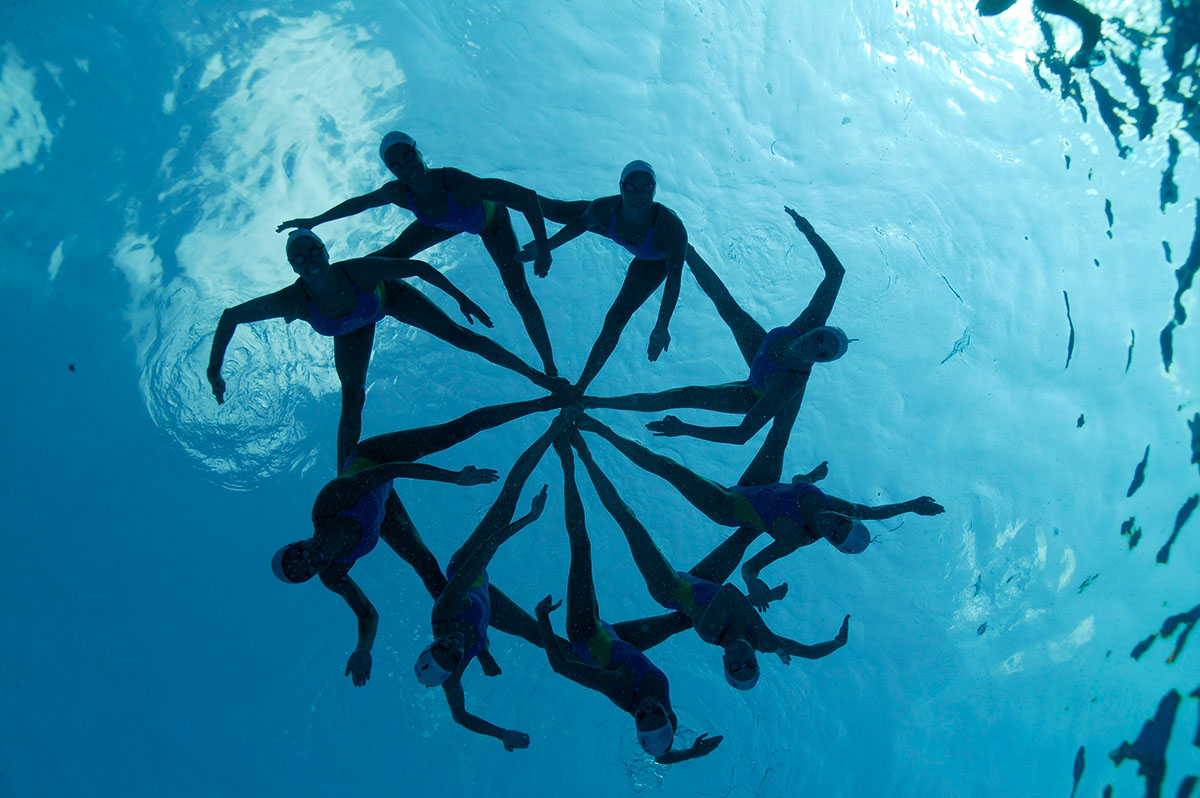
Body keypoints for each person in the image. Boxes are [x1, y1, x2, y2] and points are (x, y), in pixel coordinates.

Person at [270, 396, 563, 690]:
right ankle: (469, 628)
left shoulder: (329, 502)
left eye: (301, 555)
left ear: (298, 543)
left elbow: (392, 470)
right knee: (426, 564)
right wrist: (363, 649)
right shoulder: (333, 574)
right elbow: (367, 613)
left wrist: (455, 478)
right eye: (307, 570)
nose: (310, 560)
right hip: (380, 514)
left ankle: (545, 403)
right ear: (313, 575)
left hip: (375, 460)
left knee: (451, 432)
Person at [207, 229, 562, 467]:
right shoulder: (292, 300)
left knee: (460, 336)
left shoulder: (359, 271)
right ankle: (346, 475)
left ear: (326, 252)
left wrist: (461, 298)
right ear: (292, 266)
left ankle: (537, 377)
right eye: (299, 257)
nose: (309, 258)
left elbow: (417, 267)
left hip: (387, 299)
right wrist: (214, 369)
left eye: (313, 249)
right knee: (352, 396)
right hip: (350, 330)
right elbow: (231, 316)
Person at [567, 426, 849, 690]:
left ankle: (584, 455)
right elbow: (809, 652)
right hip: (705, 582)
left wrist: (764, 625)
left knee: (629, 521)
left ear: (725, 662)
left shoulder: (711, 632)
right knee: (751, 527)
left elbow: (729, 595)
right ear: (756, 661)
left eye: (735, 667)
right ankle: (802, 486)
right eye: (749, 666)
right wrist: (837, 643)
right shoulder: (763, 641)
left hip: (670, 588)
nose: (741, 660)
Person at [276, 132, 561, 377]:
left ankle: (549, 366)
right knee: (383, 260)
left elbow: (526, 197)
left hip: (488, 221)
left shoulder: (457, 182)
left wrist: (543, 247)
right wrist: (314, 221)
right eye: (396, 165)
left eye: (408, 157)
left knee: (518, 292)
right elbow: (360, 203)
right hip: (438, 224)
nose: (405, 167)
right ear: (391, 170)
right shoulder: (399, 192)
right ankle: (311, 295)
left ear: (419, 153)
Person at [577, 412, 945, 601]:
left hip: (728, 506)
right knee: (780, 427)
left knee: (670, 469)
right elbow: (874, 511)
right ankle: (687, 425)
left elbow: (752, 566)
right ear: (846, 516)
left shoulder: (796, 538)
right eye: (843, 523)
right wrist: (912, 505)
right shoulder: (834, 504)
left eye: (835, 535)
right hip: (756, 488)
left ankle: (598, 430)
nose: (833, 525)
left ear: (830, 543)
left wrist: (754, 584)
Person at [586, 207, 850, 445]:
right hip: (764, 351)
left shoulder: (788, 384)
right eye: (819, 338)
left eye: (822, 354)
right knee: (728, 307)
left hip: (757, 392)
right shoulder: (811, 320)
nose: (812, 347)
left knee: (691, 397)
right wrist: (808, 230)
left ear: (822, 362)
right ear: (817, 328)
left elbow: (741, 435)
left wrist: (685, 429)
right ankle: (685, 249)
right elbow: (837, 273)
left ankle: (593, 403)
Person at [534, 436, 722, 763]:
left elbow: (560, 666)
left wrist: (543, 621)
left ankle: (568, 461)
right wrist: (691, 753)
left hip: (587, 634)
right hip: (621, 643)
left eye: (642, 717)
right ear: (669, 719)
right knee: (682, 619)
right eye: (656, 714)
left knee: (582, 546)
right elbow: (662, 755)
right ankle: (720, 592)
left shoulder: (619, 688)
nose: (648, 709)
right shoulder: (667, 719)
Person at [412, 416, 565, 750]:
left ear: (432, 643)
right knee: (539, 637)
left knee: (506, 505)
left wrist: (530, 517)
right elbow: (460, 716)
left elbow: (487, 548)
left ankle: (553, 429)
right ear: (454, 669)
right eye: (452, 657)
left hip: (467, 571)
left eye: (441, 647)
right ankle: (598, 660)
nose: (452, 647)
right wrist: (501, 734)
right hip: (484, 606)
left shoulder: (446, 609)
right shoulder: (452, 675)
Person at [518, 161, 687, 391]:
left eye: (645, 187)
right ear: (620, 187)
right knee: (555, 210)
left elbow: (674, 281)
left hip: (653, 261)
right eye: (631, 187)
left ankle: (580, 387)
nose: (638, 194)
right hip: (614, 227)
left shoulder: (672, 228)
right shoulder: (604, 208)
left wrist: (661, 325)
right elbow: (578, 225)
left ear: (654, 189)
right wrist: (545, 247)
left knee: (617, 317)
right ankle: (500, 194)